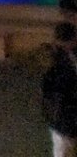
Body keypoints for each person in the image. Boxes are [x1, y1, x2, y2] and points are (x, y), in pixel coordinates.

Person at [49, 21, 77, 157]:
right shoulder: (63, 61)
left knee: (63, 148)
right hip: (65, 119)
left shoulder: (56, 57)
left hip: (62, 120)